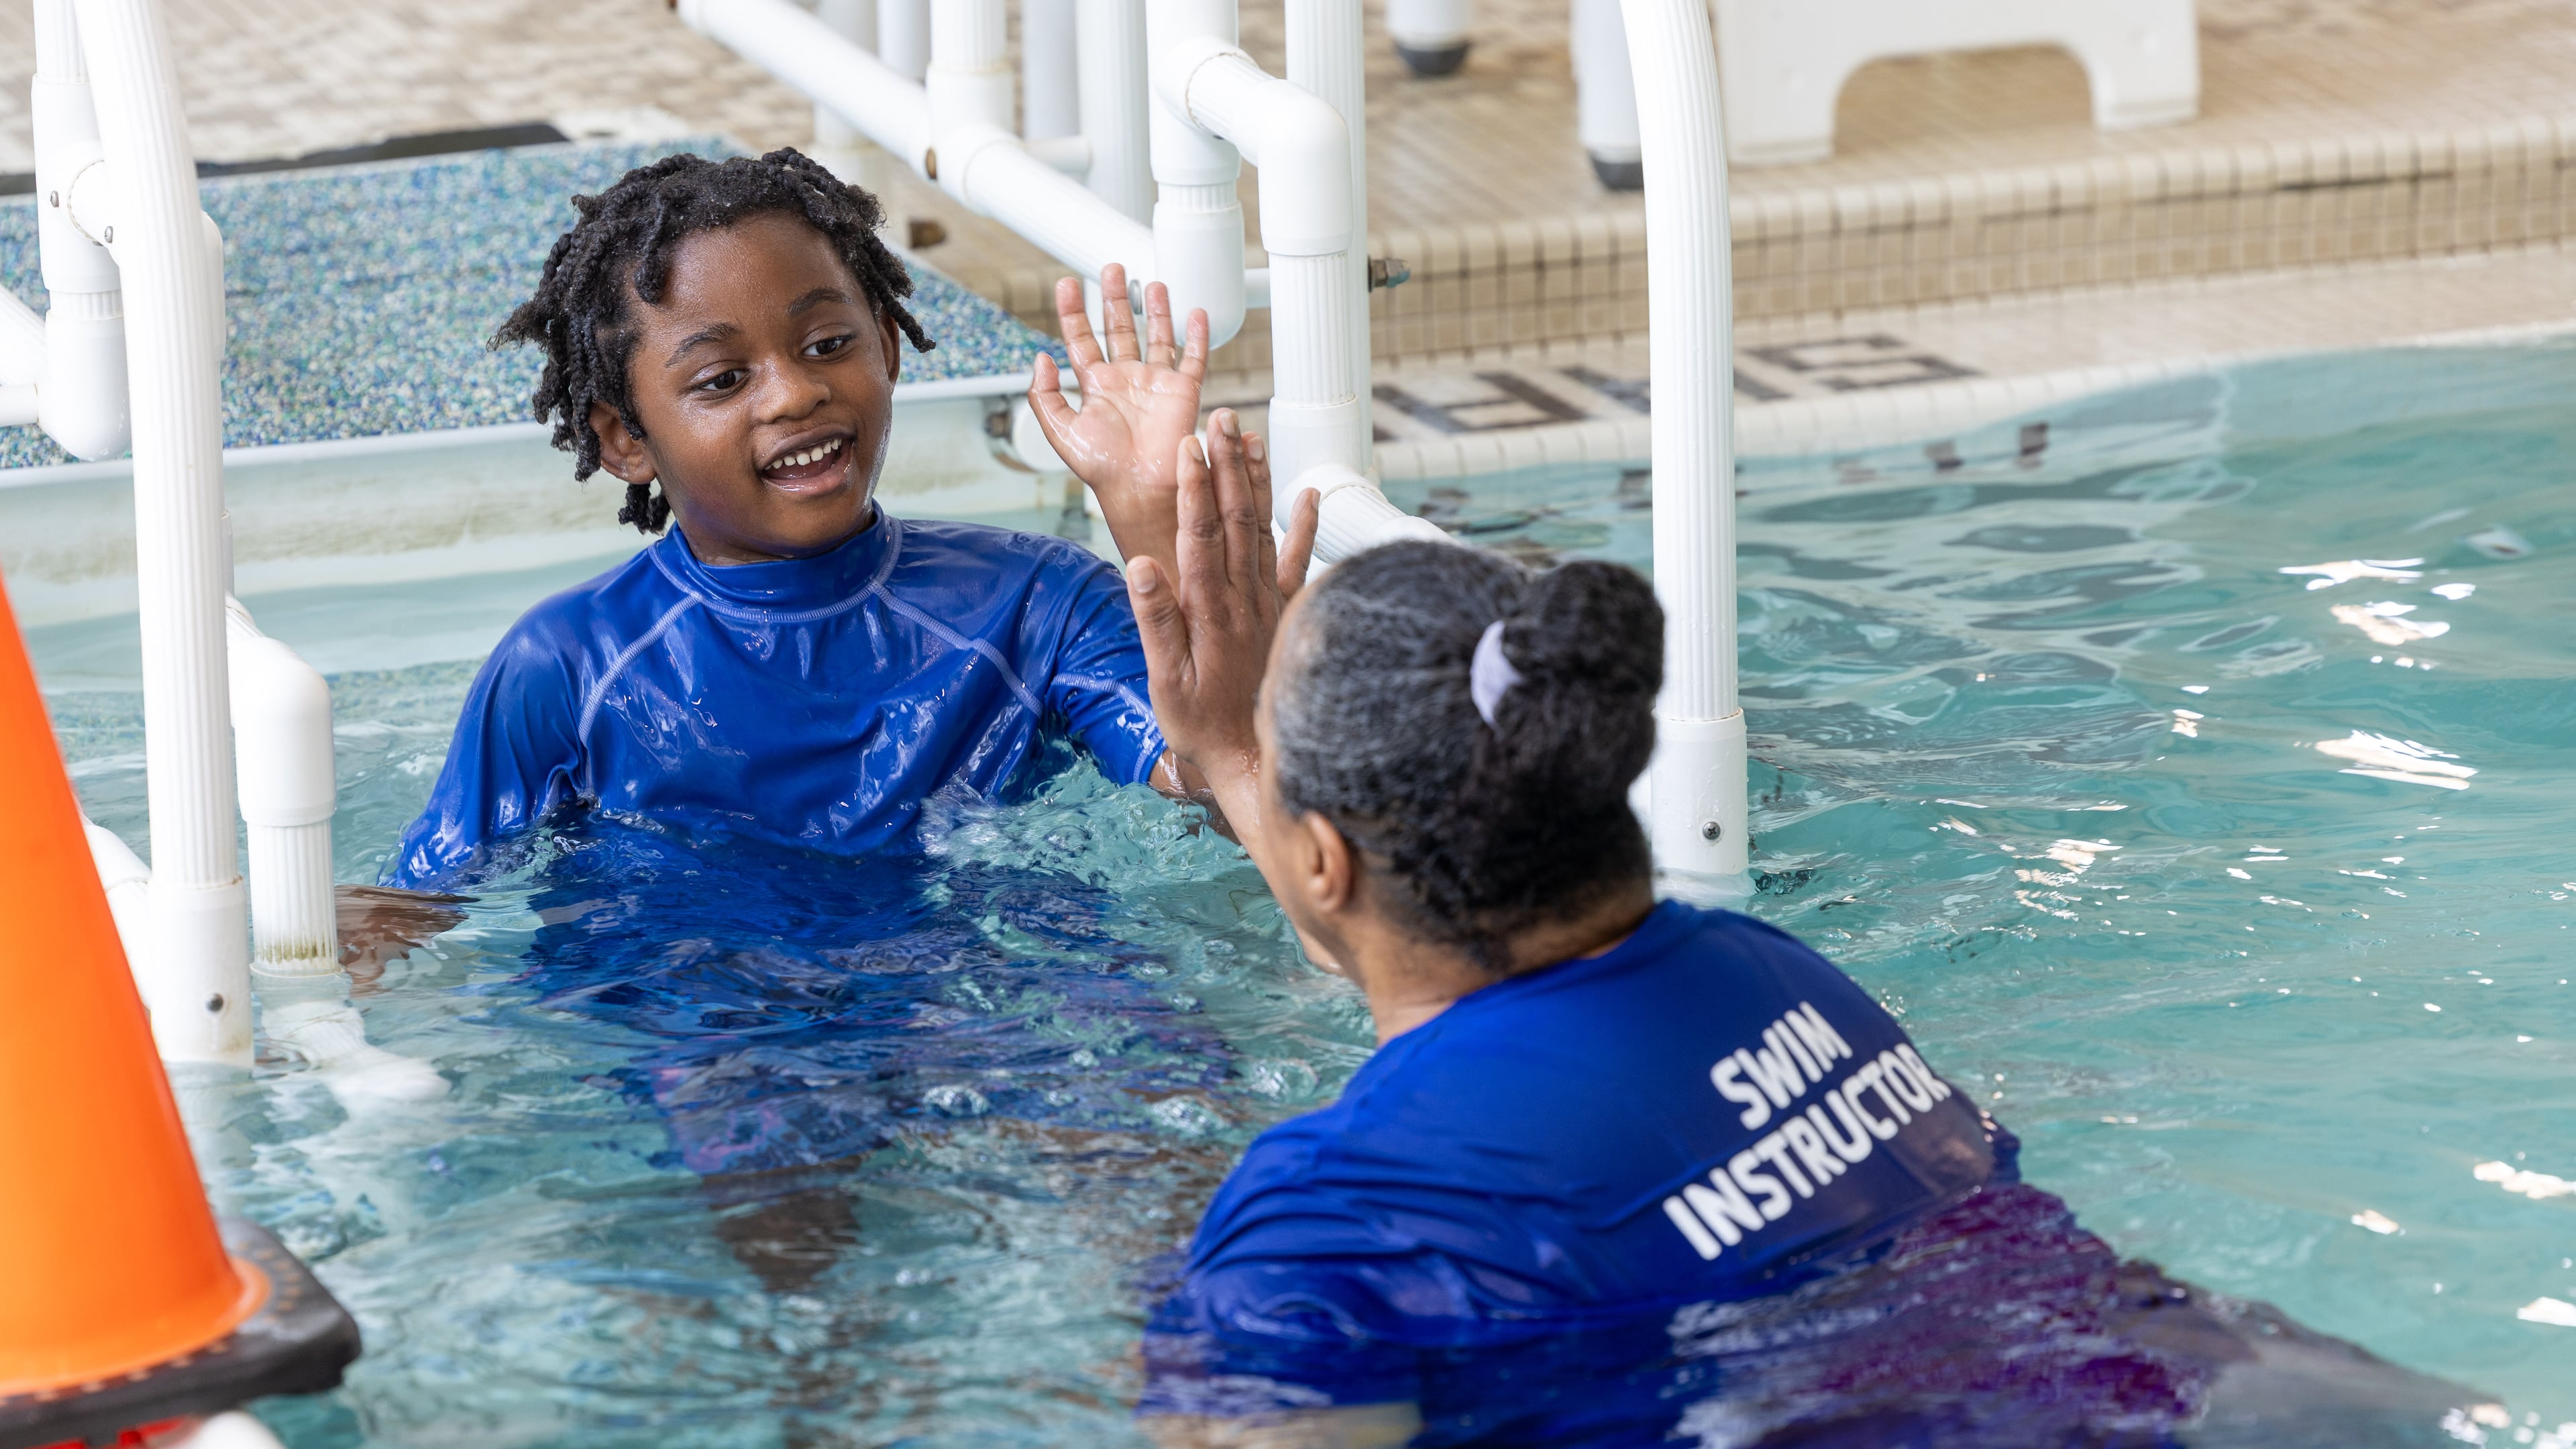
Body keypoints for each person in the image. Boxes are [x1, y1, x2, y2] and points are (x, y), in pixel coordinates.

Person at [1116, 421, 2481, 1445]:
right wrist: (1249, 756)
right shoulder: (1781, 985)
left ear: (1325, 857)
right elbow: (1445, 997)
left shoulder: (1324, 1237)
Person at [380, 149, 1268, 888]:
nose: (798, 392)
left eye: (827, 345)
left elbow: (1239, 799)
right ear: (627, 441)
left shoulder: (1038, 604)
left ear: (887, 346)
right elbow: (428, 900)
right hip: (710, 1026)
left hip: (981, 1003)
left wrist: (1146, 510)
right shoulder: (571, 666)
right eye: (723, 380)